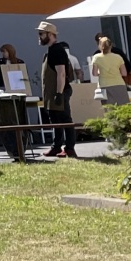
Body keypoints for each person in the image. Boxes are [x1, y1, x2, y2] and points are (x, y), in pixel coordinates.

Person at [35, 21, 77, 158]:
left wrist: (59, 93)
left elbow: (61, 73)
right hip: (52, 92)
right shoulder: (51, 50)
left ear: (50, 34)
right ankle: (57, 147)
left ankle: (69, 148)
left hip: (60, 91)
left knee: (65, 119)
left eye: (41, 34)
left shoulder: (57, 50)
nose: (39, 36)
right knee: (56, 121)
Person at [91, 34, 131, 104]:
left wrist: (101, 73)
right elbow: (124, 73)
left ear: (100, 46)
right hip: (119, 84)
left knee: (108, 108)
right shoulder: (118, 57)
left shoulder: (96, 57)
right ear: (111, 45)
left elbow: (94, 73)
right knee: (123, 107)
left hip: (104, 86)